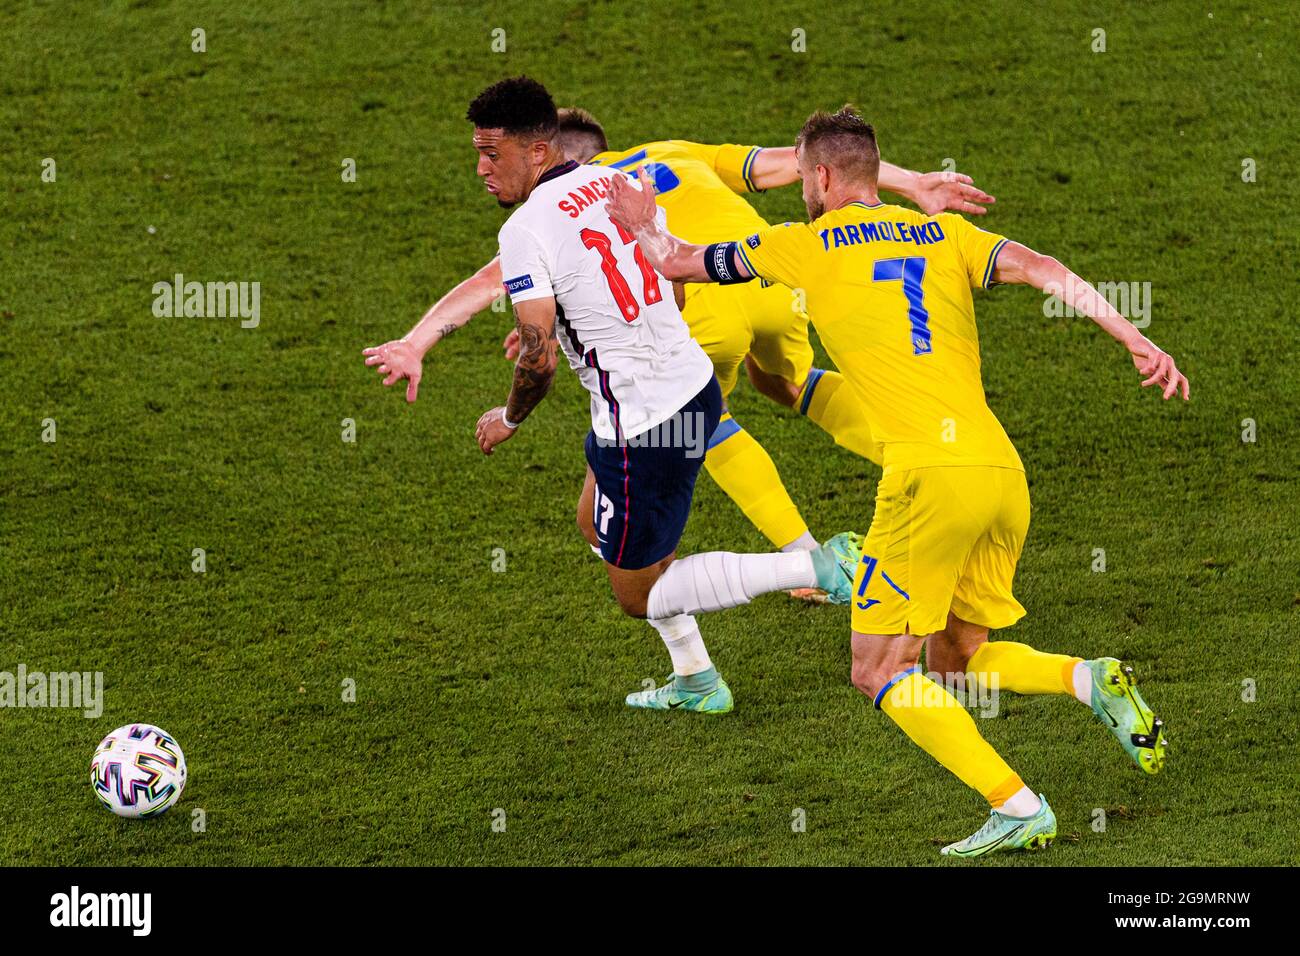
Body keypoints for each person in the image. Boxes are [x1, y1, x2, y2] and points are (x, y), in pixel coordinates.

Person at [607, 106, 1185, 856]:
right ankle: (1088, 679)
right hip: (1001, 473)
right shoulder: (946, 235)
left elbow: (679, 260)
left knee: (877, 668)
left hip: (927, 483)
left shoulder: (801, 245)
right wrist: (1136, 339)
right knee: (957, 659)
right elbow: (1044, 269)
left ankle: (1017, 805)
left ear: (817, 177)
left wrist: (643, 220)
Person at [364, 105, 992, 600]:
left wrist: (420, 341)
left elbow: (492, 282)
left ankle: (809, 559)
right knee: (788, 384)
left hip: (699, 288)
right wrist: (914, 184)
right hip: (770, 274)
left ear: (553, 156)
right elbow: (799, 162)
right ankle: (933, 464)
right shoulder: (673, 153)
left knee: (703, 421)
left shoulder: (574, 201)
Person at [418, 76, 863, 715]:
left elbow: (537, 364)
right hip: (691, 390)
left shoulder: (524, 229)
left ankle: (815, 569)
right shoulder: (613, 185)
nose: (481, 170)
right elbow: (672, 282)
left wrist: (509, 418)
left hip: (642, 427)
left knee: (639, 595)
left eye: (493, 155)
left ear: (537, 151)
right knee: (591, 520)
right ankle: (696, 679)